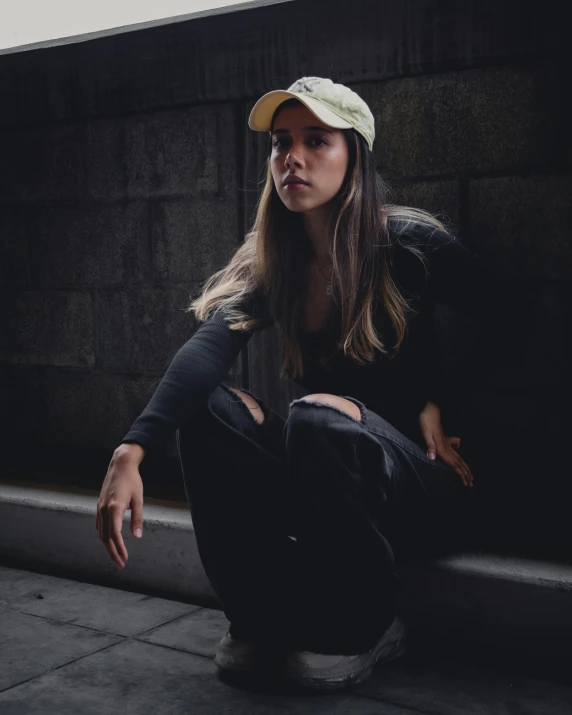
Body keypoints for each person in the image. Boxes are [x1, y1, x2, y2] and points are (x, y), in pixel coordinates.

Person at [96, 76, 503, 690]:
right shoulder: (279, 263)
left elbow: (512, 317)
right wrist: (134, 448)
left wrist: (439, 400)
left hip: (423, 483)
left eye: (317, 140)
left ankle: (366, 624)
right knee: (208, 410)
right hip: (331, 479)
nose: (293, 156)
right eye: (282, 142)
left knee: (317, 416)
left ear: (354, 156)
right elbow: (208, 346)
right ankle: (257, 618)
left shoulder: (407, 245)